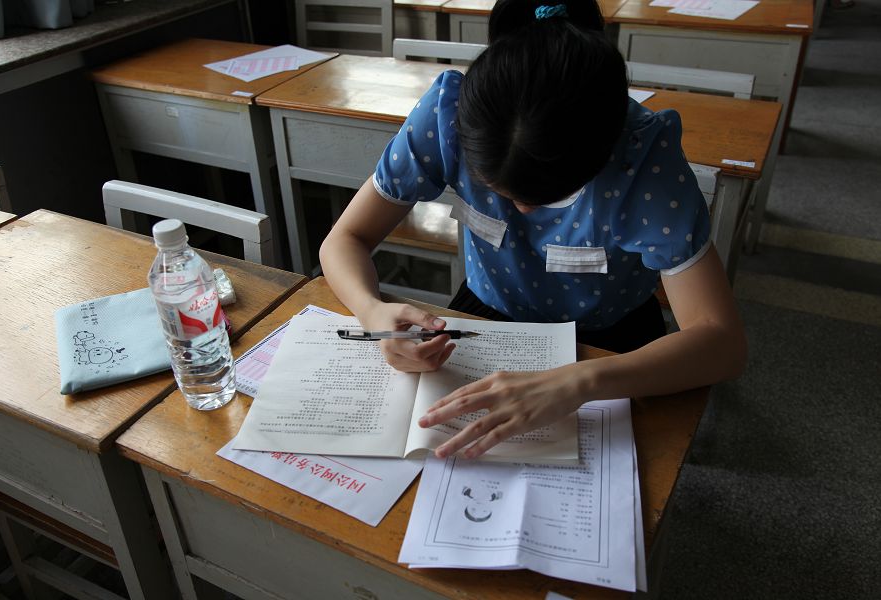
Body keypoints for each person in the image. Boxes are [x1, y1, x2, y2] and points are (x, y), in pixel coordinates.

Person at [319, 0, 747, 460]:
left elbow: (722, 342)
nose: (521, 210)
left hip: (611, 339)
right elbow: (345, 239)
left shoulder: (643, 161)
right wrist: (370, 312)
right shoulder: (447, 117)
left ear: (604, 151)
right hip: (487, 314)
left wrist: (582, 381)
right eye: (497, 191)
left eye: (547, 197)